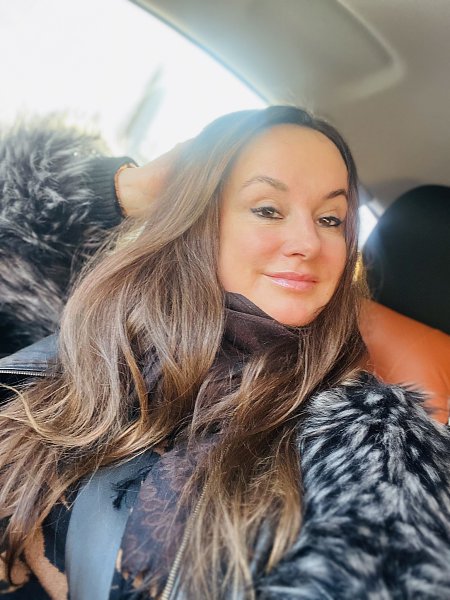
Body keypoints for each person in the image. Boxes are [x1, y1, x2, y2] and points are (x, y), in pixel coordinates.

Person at [0, 106, 449, 599]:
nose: (308, 242)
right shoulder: (84, 330)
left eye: (330, 219)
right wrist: (127, 191)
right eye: (268, 209)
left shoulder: (374, 453)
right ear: (199, 218)